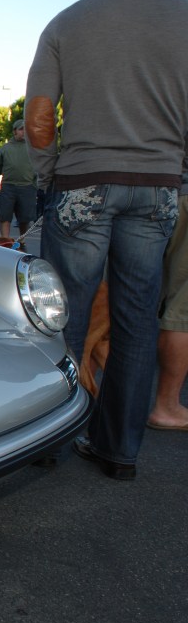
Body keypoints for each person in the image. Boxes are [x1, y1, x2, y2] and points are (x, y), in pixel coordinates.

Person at [25, 0, 188, 480]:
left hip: (83, 183)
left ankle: (53, 440)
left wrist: (49, 174)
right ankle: (119, 451)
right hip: (159, 186)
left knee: (64, 316)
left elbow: (40, 113)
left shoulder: (68, 21)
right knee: (137, 318)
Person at [148, 164, 188, 432]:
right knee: (181, 309)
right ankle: (167, 406)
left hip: (152, 187)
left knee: (121, 298)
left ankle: (85, 398)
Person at [0, 119, 38, 243]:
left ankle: (21, 241)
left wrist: (37, 186)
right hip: (8, 187)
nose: (24, 132)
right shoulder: (5, 149)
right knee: (5, 217)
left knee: (24, 218)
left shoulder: (33, 149)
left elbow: (39, 168)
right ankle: (6, 241)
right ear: (15, 131)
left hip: (27, 187)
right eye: (21, 129)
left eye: (26, 129)